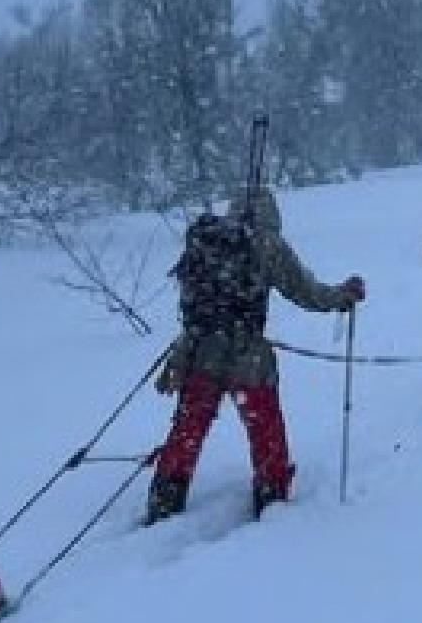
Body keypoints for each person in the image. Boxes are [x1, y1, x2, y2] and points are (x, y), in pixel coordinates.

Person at [148, 185, 365, 524]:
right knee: (265, 426)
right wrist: (344, 296)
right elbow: (307, 293)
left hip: (199, 349)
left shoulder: (208, 242)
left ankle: (165, 498)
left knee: (189, 426)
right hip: (247, 356)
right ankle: (272, 496)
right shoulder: (267, 244)